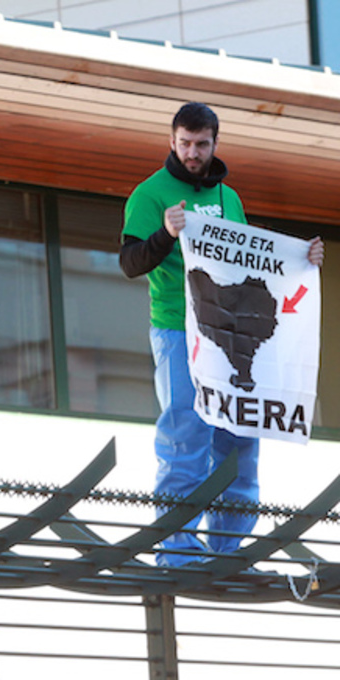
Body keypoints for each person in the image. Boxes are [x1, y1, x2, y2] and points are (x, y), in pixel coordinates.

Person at [120, 101, 324, 567]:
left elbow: (247, 260)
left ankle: (230, 550)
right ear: (171, 140)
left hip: (230, 333)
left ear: (215, 143)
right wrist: (166, 236)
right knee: (185, 436)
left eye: (201, 145)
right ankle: (178, 548)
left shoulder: (229, 198)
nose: (192, 153)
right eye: (185, 144)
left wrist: (301, 260)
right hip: (178, 328)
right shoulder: (149, 194)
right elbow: (130, 263)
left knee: (240, 433)